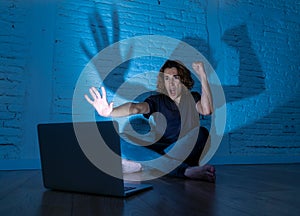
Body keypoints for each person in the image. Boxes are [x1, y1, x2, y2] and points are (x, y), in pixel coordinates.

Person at [85, 60, 216, 182]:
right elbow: (136, 108)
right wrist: (110, 112)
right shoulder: (157, 100)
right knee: (121, 141)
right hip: (159, 152)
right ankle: (179, 170)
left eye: (175, 78)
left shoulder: (193, 98)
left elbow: (207, 110)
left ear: (182, 80)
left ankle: (144, 165)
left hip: (180, 151)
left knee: (201, 133)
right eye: (166, 78)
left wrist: (203, 75)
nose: (171, 83)